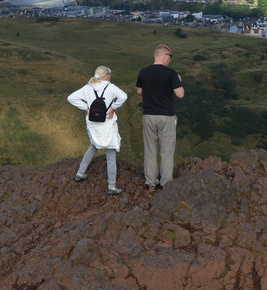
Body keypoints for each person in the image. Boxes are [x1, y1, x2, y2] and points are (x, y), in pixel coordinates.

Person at [67, 66, 128, 195]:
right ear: (106, 76)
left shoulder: (88, 87)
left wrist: (86, 108)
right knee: (111, 154)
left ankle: (80, 173)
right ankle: (111, 187)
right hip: (107, 123)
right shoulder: (110, 87)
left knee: (93, 146)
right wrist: (113, 107)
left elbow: (71, 98)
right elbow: (124, 96)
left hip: (92, 123)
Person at [136, 44, 184, 191]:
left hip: (149, 115)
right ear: (164, 56)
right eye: (169, 57)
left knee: (150, 149)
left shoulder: (143, 72)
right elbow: (180, 94)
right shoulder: (171, 74)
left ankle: (151, 182)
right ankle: (166, 183)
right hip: (166, 116)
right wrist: (178, 81)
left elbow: (139, 91)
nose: (170, 60)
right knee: (166, 150)